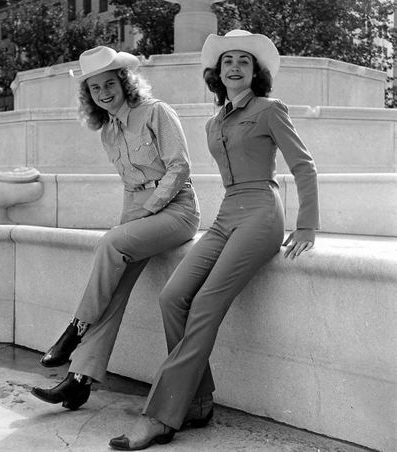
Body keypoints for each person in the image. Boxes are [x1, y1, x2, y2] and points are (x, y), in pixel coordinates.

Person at [109, 29, 320, 450]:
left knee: (205, 303)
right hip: (226, 215)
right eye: (228, 61)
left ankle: (161, 416)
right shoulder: (212, 122)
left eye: (244, 61)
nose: (235, 67)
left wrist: (307, 225)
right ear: (217, 72)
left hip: (261, 213)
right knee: (173, 297)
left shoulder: (269, 109)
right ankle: (198, 401)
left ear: (255, 71)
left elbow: (304, 166)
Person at [31, 46, 200, 410]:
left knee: (110, 245)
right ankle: (78, 380)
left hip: (177, 212)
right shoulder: (108, 132)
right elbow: (129, 187)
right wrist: (130, 222)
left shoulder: (156, 112)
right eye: (95, 88)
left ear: (124, 82)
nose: (104, 92)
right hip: (141, 215)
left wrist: (147, 212)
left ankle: (75, 329)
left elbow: (180, 167)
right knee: (115, 290)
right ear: (89, 95)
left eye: (110, 83)